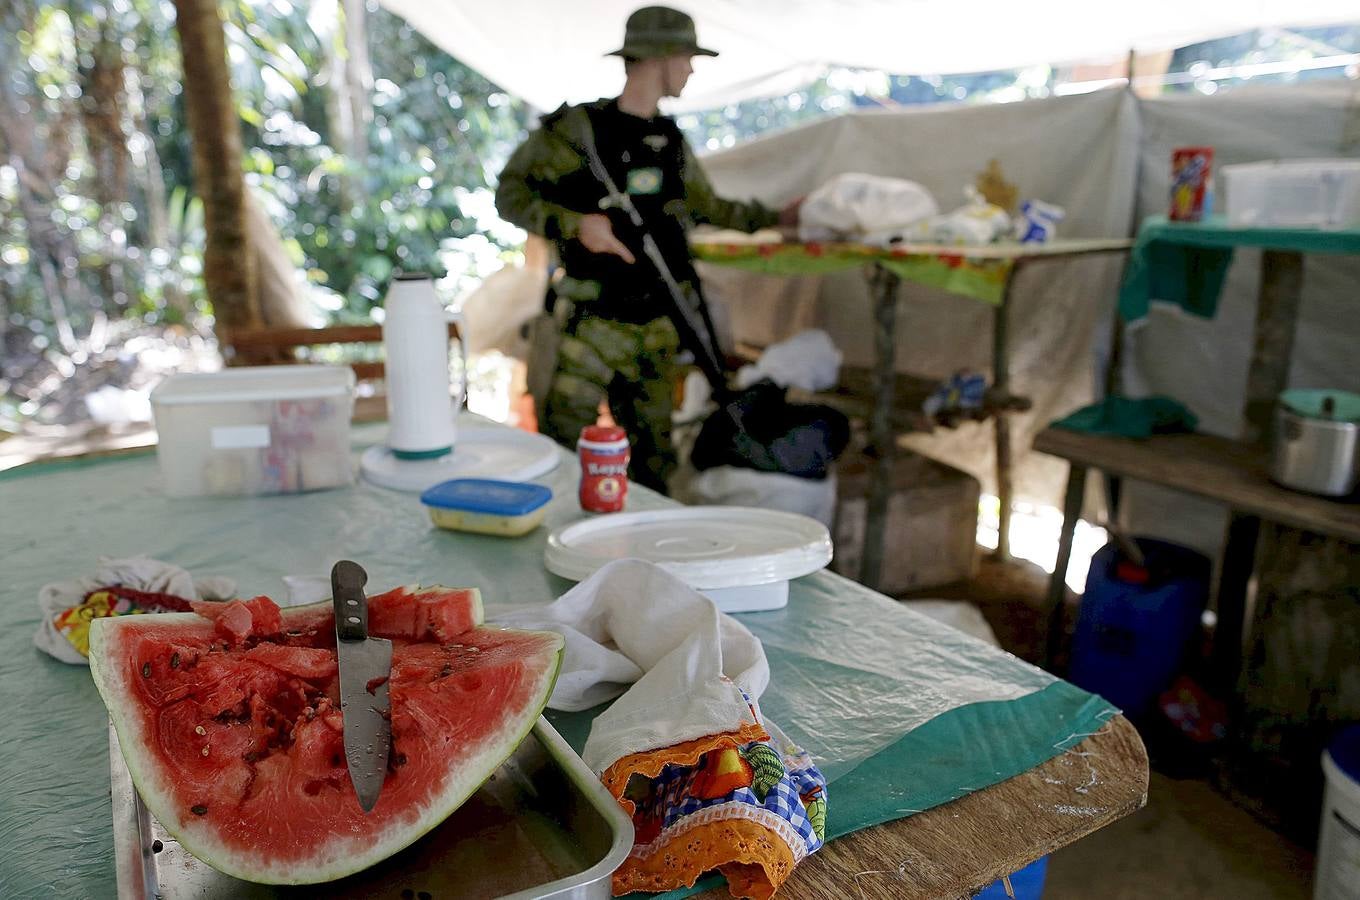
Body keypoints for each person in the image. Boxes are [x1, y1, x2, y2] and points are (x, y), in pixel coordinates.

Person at [495, 5, 797, 495]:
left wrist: (780, 220)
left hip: (655, 325)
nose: (692, 69)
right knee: (562, 456)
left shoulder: (670, 140)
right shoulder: (576, 131)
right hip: (590, 324)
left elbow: (708, 207)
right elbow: (510, 194)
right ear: (660, 58)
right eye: (687, 57)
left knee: (654, 466)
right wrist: (575, 225)